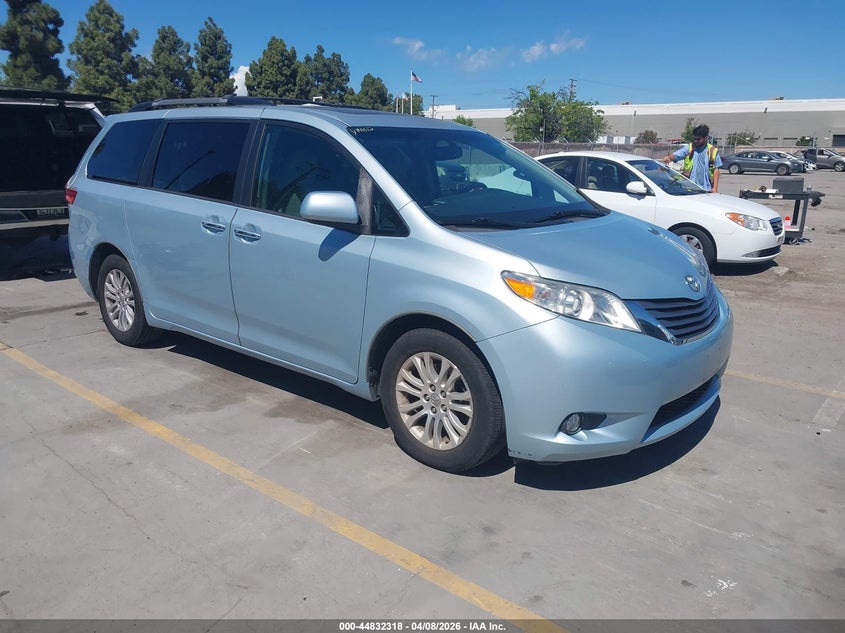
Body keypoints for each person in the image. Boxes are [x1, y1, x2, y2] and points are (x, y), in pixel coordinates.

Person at [663, 124, 722, 192]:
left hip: (706, 188)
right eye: (694, 139)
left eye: (698, 139)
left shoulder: (713, 151)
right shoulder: (690, 148)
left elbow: (716, 170)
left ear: (706, 138)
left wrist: (715, 188)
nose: (695, 141)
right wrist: (669, 158)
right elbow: (676, 155)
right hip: (690, 188)